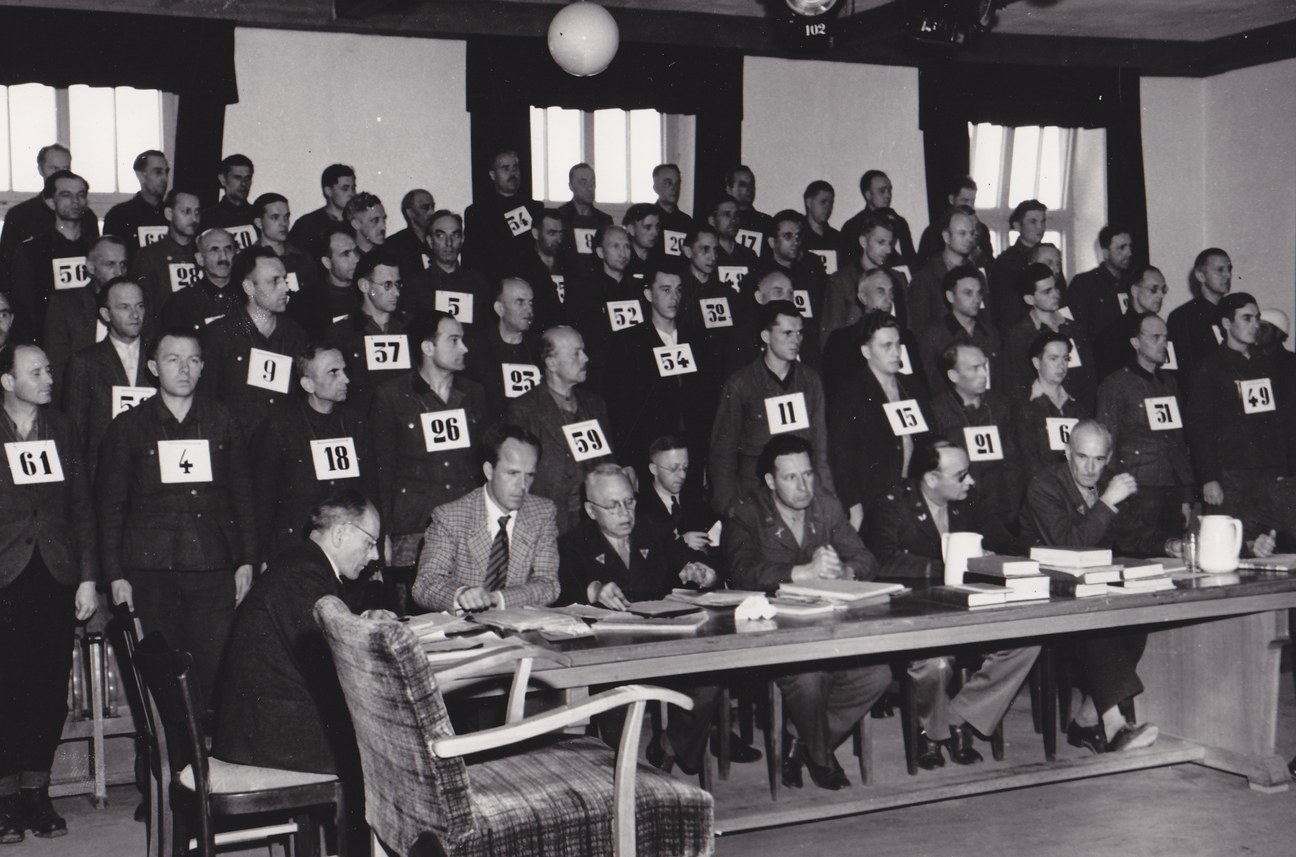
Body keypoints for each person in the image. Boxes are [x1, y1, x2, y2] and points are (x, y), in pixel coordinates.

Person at [99, 329, 257, 711]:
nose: (184, 369)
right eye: (173, 359)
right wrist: (115, 575)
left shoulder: (223, 421)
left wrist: (247, 559)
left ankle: (210, 765)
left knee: (216, 671)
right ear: (153, 367)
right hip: (152, 571)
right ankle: (177, 764)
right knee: (163, 677)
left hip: (213, 567)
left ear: (202, 367)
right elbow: (110, 507)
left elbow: (243, 496)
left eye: (193, 360)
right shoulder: (128, 427)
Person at [725, 435, 891, 790]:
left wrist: (846, 572)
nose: (803, 486)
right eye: (790, 478)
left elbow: (866, 557)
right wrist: (799, 574)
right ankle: (819, 756)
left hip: (828, 629)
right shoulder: (746, 510)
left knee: (877, 675)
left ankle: (798, 742)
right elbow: (742, 571)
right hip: (772, 633)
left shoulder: (826, 506)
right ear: (770, 481)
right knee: (807, 678)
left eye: (808, 474)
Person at [558, 464, 737, 775]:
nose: (625, 512)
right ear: (590, 510)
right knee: (616, 716)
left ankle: (670, 746)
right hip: (610, 659)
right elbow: (560, 592)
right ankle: (627, 785)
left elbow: (687, 563)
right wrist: (593, 589)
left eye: (629, 501)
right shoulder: (573, 544)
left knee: (708, 681)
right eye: (612, 505)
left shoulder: (653, 529)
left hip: (662, 647)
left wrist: (701, 573)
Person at [867, 438, 1035, 768]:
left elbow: (1008, 544)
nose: (970, 481)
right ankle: (931, 734)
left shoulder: (968, 501)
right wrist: (945, 566)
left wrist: (990, 560)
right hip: (918, 615)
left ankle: (959, 719)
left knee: (1028, 640)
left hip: (969, 612)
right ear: (931, 479)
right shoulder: (892, 504)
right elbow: (878, 560)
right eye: (960, 475)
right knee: (934, 663)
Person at [1019, 420, 1177, 754]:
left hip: (1090, 586)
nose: (1091, 468)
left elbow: (1132, 533)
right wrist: (1107, 502)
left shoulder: (1104, 483)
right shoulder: (1044, 487)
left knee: (1136, 619)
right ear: (1067, 454)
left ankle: (1087, 721)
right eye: (1082, 457)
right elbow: (1067, 545)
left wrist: (1170, 544)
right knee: (1097, 623)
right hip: (1045, 591)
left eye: (1099, 459)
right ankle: (1115, 728)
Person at [0, 344, 98, 842]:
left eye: (48, 369)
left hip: (55, 575)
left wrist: (87, 576)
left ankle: (37, 793)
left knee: (45, 689)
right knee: (4, 688)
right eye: (35, 372)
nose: (48, 377)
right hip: (5, 576)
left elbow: (81, 504)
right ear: (6, 381)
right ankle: (4, 799)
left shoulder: (61, 428)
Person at [214, 489, 380, 775]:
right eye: (369, 542)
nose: (375, 554)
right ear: (341, 533)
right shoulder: (304, 573)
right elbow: (332, 662)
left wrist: (365, 621)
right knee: (384, 748)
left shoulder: (305, 564)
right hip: (268, 737)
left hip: (270, 723)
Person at [370, 310, 488, 581]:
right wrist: (382, 534)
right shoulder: (391, 396)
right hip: (413, 527)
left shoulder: (474, 394)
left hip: (466, 525)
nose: (464, 348)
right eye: (454, 340)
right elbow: (382, 471)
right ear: (427, 347)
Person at [1187, 293, 1296, 549]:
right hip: (1231, 476)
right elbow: (1200, 429)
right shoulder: (1209, 368)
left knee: (1269, 547)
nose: (1255, 325)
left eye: (1257, 318)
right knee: (1233, 546)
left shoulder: (1267, 365)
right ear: (1226, 324)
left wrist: (1282, 470)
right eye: (1246, 318)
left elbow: (1277, 423)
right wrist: (1209, 478)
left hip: (1268, 474)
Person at [413, 423, 559, 612]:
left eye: (529, 475)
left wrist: (498, 598)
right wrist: (461, 594)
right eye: (513, 473)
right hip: (465, 631)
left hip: (520, 626)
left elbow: (549, 584)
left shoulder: (543, 512)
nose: (523, 486)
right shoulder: (450, 516)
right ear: (489, 471)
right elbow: (425, 584)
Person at [709, 299, 833, 514]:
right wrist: (728, 506)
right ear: (766, 337)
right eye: (787, 333)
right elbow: (723, 452)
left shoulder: (810, 380)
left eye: (799, 333)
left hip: (801, 491)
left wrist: (826, 496)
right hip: (755, 493)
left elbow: (820, 447)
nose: (796, 340)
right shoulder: (740, 384)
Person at [252, 345, 372, 565]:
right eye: (333, 372)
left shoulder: (356, 423)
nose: (345, 379)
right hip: (297, 548)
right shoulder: (280, 427)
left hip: (348, 548)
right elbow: (263, 501)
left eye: (344, 370)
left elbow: (369, 490)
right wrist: (263, 557)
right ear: (308, 384)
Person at [604, 266, 715, 489]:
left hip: (692, 449)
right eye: (665, 290)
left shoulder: (698, 337)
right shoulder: (629, 341)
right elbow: (620, 407)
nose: (674, 298)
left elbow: (708, 399)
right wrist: (627, 461)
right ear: (648, 294)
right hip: (649, 452)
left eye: (678, 290)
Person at [507, 326, 618, 535]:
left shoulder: (595, 405)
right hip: (549, 525)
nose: (585, 358)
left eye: (583, 351)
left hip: (593, 523)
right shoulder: (524, 410)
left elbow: (608, 462)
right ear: (552, 363)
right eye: (576, 353)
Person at [827, 313, 932, 532]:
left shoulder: (913, 387)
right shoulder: (850, 392)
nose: (896, 353)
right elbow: (842, 456)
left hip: (915, 494)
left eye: (897, 345)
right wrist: (854, 507)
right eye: (886, 346)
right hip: (873, 499)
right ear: (866, 352)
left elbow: (929, 440)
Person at [1096, 313, 1195, 545]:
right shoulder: (1115, 385)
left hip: (1170, 489)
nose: (1164, 343)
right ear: (1135, 342)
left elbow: (1178, 441)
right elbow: (1107, 445)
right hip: (1138, 491)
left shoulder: (1169, 382)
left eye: (1166, 338)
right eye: (1156, 337)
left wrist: (1186, 494)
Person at [199, 246, 310, 442]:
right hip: (237, 447)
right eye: (274, 281)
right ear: (249, 287)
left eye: (284, 280)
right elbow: (207, 402)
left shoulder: (296, 334)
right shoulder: (219, 335)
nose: (285, 288)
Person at [62, 278, 152, 482]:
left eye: (140, 306)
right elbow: (76, 434)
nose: (135, 315)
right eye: (124, 307)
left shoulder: (160, 356)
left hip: (152, 473)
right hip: (103, 476)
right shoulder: (84, 362)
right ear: (105, 314)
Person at [929, 342, 1022, 530]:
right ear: (953, 375)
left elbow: (1014, 462)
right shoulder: (937, 410)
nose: (984, 374)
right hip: (958, 511)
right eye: (974, 369)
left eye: (984, 366)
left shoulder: (1001, 406)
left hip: (1001, 511)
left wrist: (1011, 507)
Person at [821, 268, 926, 404]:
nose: (889, 299)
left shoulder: (906, 336)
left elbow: (921, 385)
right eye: (880, 291)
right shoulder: (841, 339)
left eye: (891, 292)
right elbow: (836, 392)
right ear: (863, 297)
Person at [1000, 262, 1096, 410]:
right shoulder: (1019, 335)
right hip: (1038, 414)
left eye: (1055, 288)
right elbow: (1015, 387)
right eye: (1046, 292)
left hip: (1077, 410)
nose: (1055, 295)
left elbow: (1088, 376)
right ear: (1029, 299)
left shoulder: (1073, 328)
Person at [10, 170, 95, 334]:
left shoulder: (98, 248)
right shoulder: (30, 251)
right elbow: (23, 307)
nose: (75, 201)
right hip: (48, 339)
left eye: (81, 195)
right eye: (66, 195)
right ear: (50, 202)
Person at [327, 247, 409, 417]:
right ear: (364, 285)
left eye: (398, 284)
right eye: (387, 285)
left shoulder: (408, 330)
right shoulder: (341, 333)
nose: (396, 292)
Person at [0, 144, 98, 281]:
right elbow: (5, 266)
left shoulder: (86, 215)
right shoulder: (19, 216)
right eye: (54, 168)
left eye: (66, 168)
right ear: (40, 170)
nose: (61, 174)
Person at [43, 236, 129, 390]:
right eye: (110, 264)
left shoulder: (137, 304)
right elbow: (58, 366)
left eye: (123, 264)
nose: (119, 272)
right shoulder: (65, 304)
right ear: (90, 267)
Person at [399, 211, 491, 340]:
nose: (449, 243)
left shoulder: (477, 282)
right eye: (441, 236)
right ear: (430, 241)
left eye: (455, 235)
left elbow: (487, 331)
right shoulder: (415, 284)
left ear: (462, 240)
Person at [821, 209, 909, 343]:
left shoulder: (898, 279)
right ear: (863, 242)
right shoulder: (841, 281)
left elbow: (908, 328)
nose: (888, 250)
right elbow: (830, 338)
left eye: (890, 243)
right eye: (881, 242)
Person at [1009, 331, 1091, 473]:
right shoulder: (1022, 407)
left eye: (1065, 359)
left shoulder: (1077, 407)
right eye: (1053, 359)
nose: (1061, 366)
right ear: (1037, 363)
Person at [464, 277, 542, 426]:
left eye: (530, 302)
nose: (529, 309)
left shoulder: (539, 346)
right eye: (520, 302)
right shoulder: (475, 347)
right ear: (500, 309)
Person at [917, 266, 1001, 393]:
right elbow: (929, 384)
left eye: (979, 293)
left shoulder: (990, 332)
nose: (977, 299)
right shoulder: (934, 336)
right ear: (950, 296)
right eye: (968, 293)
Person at [461, 149, 542, 280]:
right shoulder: (477, 212)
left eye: (515, 168)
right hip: (494, 283)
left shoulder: (535, 208)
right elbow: (472, 257)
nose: (512, 173)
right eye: (506, 168)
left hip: (530, 280)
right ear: (492, 175)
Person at [638, 434, 719, 556]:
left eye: (685, 468)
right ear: (654, 469)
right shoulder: (640, 508)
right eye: (673, 469)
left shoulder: (697, 501)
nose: (682, 476)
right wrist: (681, 543)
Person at [128, 190, 201, 318]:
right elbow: (144, 308)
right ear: (169, 214)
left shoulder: (205, 252)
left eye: (197, 212)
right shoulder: (149, 256)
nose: (194, 219)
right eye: (186, 211)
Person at [1167, 248, 1233, 392]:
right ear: (1200, 275)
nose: (1227, 275)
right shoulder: (1182, 316)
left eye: (1229, 269)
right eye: (1220, 270)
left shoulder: (1233, 312)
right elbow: (1182, 371)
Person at [158, 228, 243, 336]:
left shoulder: (249, 295)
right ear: (200, 259)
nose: (223, 256)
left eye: (228, 249)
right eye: (214, 249)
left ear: (236, 253)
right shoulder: (180, 303)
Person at [907, 206, 978, 335]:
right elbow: (921, 330)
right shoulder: (924, 278)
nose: (969, 239)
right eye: (962, 233)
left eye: (971, 233)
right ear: (946, 237)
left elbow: (986, 320)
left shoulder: (977, 275)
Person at [1093, 264, 1170, 379]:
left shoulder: (1163, 329)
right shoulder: (1114, 334)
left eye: (1163, 289)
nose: (1161, 295)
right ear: (1134, 290)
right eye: (1153, 289)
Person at [987, 200, 1047, 332]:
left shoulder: (1049, 255)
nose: (1040, 227)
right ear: (1018, 226)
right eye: (1033, 222)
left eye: (1043, 222)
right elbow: (1004, 308)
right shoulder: (1005, 262)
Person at [1066, 225, 1133, 343]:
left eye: (1130, 247)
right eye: (1121, 248)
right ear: (1105, 253)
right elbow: (1077, 327)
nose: (1129, 253)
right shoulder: (1084, 283)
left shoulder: (1133, 283)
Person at [838, 169, 916, 271]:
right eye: (882, 191)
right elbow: (847, 267)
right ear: (868, 195)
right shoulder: (853, 226)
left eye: (889, 190)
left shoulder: (900, 222)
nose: (888, 195)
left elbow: (911, 261)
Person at [507, 208, 568, 332]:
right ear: (535, 234)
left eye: (561, 233)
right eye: (551, 233)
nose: (559, 239)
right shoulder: (521, 267)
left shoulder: (569, 266)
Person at [915, 177, 994, 270]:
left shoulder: (982, 229)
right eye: (964, 200)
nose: (970, 206)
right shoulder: (934, 231)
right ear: (951, 199)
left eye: (973, 201)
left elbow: (990, 267)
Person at [287, 164, 356, 266]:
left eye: (353, 188)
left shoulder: (358, 222)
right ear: (328, 191)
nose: (352, 194)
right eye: (345, 189)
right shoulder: (307, 224)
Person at [103, 150, 170, 256]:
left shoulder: (174, 213)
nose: (165, 178)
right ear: (140, 176)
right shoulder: (119, 215)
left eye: (166, 172)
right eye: (158, 172)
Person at [556, 163, 612, 278]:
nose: (590, 187)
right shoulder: (559, 217)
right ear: (571, 186)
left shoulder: (605, 220)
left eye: (593, 182)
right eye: (583, 182)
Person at [199, 154, 256, 237]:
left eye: (247, 178)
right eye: (237, 178)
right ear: (223, 180)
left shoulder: (258, 217)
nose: (243, 184)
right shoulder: (206, 219)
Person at [387, 188, 437, 279]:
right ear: (410, 213)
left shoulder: (438, 240)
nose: (432, 212)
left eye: (432, 207)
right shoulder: (395, 244)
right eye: (425, 207)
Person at [725, 165, 773, 259]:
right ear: (729, 189)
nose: (749, 189)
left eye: (751, 184)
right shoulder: (721, 220)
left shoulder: (766, 222)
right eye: (742, 184)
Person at [651, 163, 693, 259]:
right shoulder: (649, 219)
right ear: (656, 188)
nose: (674, 188)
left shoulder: (687, 221)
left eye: (677, 183)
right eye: (668, 183)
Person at [801, 180, 840, 267]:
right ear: (809, 203)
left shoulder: (838, 238)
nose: (828, 207)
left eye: (831, 203)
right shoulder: (797, 236)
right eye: (823, 202)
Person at [622, 202, 660, 281]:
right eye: (648, 227)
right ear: (631, 229)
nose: (655, 232)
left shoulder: (660, 260)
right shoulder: (623, 260)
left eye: (657, 227)